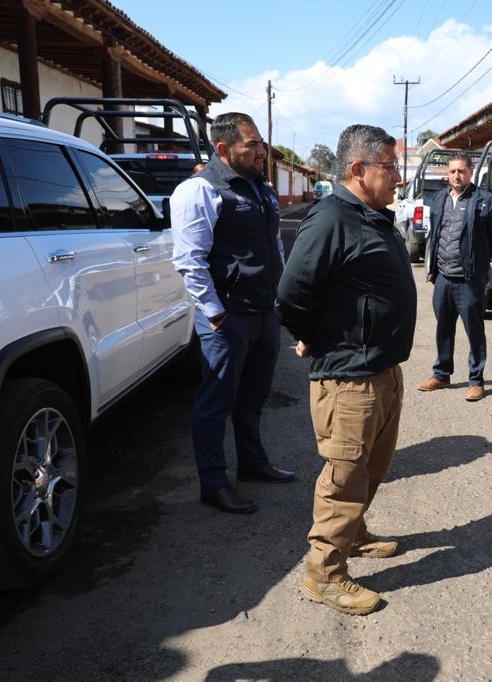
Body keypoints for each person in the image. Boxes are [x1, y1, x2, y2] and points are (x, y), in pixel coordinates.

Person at [277, 124, 417, 616]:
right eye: (390, 166)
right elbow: (292, 292)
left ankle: (352, 535)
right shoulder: (331, 217)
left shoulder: (372, 215)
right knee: (343, 477)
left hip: (381, 370)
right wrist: (311, 334)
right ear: (358, 170)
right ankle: (324, 574)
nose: (398, 177)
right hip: (350, 378)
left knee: (371, 468)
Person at [170, 112, 296, 515]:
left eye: (261, 144)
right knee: (216, 401)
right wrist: (215, 313)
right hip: (228, 316)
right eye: (252, 145)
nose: (261, 152)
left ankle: (253, 462)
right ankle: (214, 482)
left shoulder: (262, 188)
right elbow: (190, 260)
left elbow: (275, 244)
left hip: (264, 311)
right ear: (224, 149)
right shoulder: (199, 191)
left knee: (253, 395)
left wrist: (280, 293)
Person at [416, 152, 492, 402]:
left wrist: (478, 260)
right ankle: (442, 374)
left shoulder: (486, 201)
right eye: (453, 171)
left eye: (462, 171)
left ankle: (476, 380)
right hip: (443, 277)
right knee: (443, 328)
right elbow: (434, 235)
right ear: (447, 173)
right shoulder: (438, 200)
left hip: (470, 280)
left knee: (474, 331)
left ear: (470, 172)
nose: (457, 176)